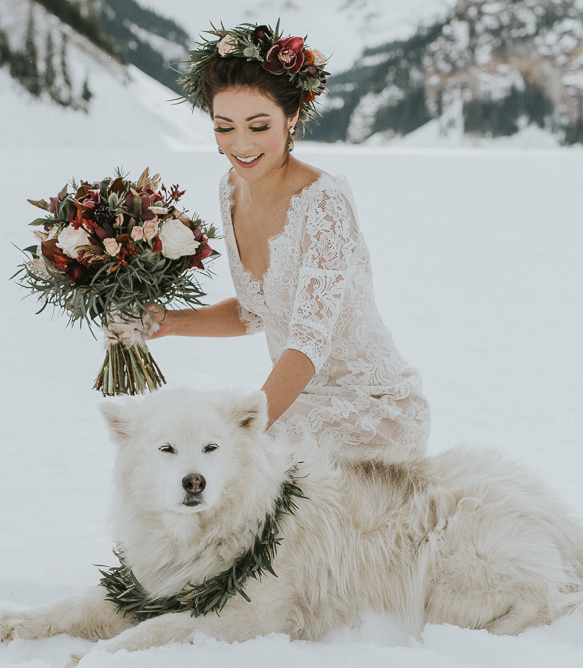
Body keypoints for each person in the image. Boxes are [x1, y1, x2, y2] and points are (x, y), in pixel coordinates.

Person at [149, 24, 430, 457]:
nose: (241, 145)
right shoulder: (230, 189)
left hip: (372, 409)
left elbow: (307, 341)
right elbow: (256, 310)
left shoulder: (324, 201)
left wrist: (246, 433)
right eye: (224, 127)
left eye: (258, 126)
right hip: (299, 400)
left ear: (292, 116)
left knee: (226, 462)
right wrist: (169, 323)